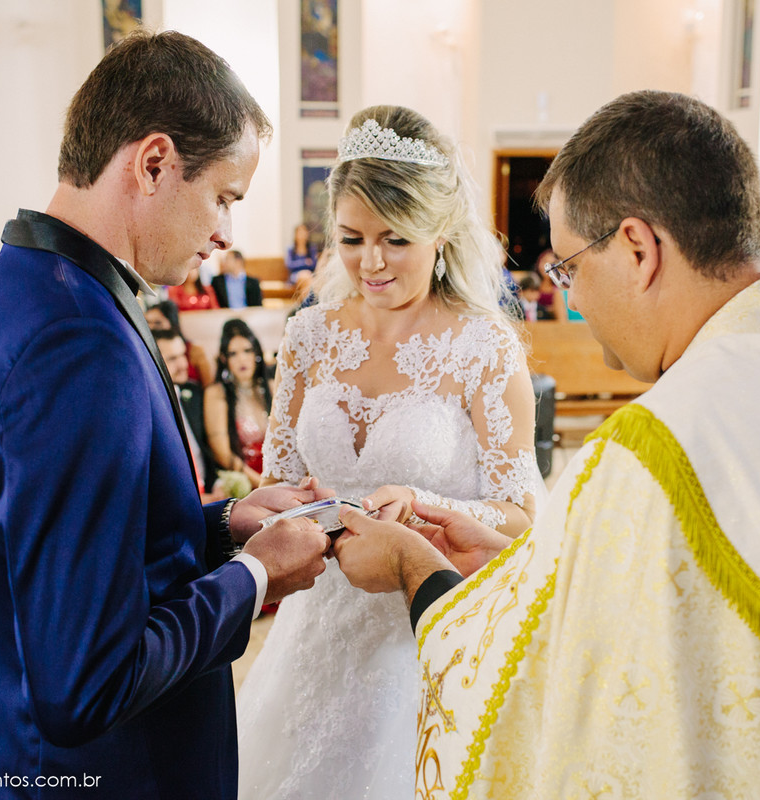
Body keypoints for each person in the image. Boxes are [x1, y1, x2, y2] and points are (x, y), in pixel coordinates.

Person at [332, 91, 760, 798]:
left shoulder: (652, 448)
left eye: (568, 268)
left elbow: (530, 688)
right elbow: (673, 601)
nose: (575, 301)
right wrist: (520, 561)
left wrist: (415, 566)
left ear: (636, 248)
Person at [0, 31, 332, 799]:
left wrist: (226, 523)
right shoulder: (77, 342)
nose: (225, 234)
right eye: (223, 198)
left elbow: (55, 552)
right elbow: (87, 682)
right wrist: (256, 574)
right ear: (153, 163)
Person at [236, 105, 540, 800]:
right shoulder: (308, 337)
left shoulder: (484, 348)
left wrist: (423, 505)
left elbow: (521, 515)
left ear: (440, 231)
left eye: (395, 239)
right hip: (316, 625)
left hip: (421, 628)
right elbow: (278, 485)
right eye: (351, 238)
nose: (370, 263)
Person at [204, 319, 271, 489]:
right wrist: (263, 485)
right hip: (248, 483)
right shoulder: (216, 393)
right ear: (224, 359)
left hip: (280, 474)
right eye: (233, 353)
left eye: (247, 350)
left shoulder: (270, 387)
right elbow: (222, 454)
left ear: (256, 353)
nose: (242, 359)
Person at [154, 328, 218, 496]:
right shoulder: (152, 408)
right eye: (173, 358)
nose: (183, 364)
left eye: (183, 355)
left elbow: (207, 448)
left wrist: (218, 483)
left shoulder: (194, 394)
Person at [145, 299, 214, 386]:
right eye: (147, 323)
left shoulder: (194, 350)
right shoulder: (146, 352)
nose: (150, 328)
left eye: (157, 323)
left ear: (172, 322)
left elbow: (208, 386)